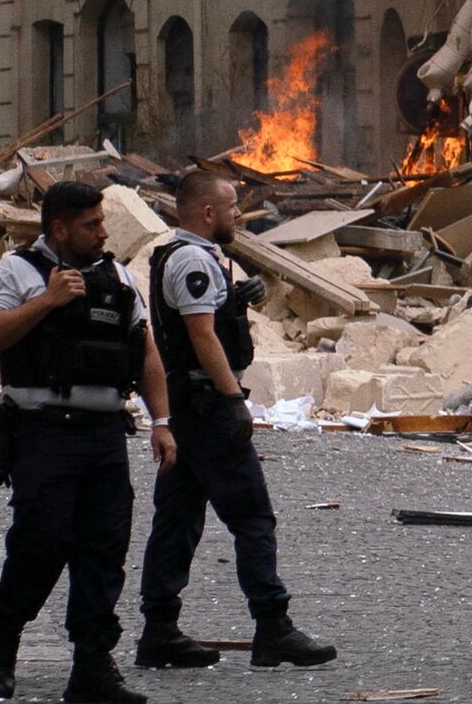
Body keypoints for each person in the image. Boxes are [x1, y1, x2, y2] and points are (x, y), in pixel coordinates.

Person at [0, 175, 169, 704]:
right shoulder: (17, 272)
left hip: (105, 434)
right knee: (42, 543)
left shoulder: (119, 278)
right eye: (91, 224)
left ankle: (92, 666)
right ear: (59, 228)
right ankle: (2, 641)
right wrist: (47, 302)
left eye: (102, 221)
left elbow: (145, 352)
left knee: (104, 550)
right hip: (43, 433)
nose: (103, 232)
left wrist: (162, 420)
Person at [135, 165, 334, 671]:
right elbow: (202, 336)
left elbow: (207, 320)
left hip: (186, 409)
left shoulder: (188, 257)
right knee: (253, 518)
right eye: (231, 207)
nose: (238, 214)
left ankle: (158, 630)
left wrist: (240, 299)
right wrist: (232, 400)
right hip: (206, 410)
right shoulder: (193, 261)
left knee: (176, 522)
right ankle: (273, 627)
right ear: (207, 213)